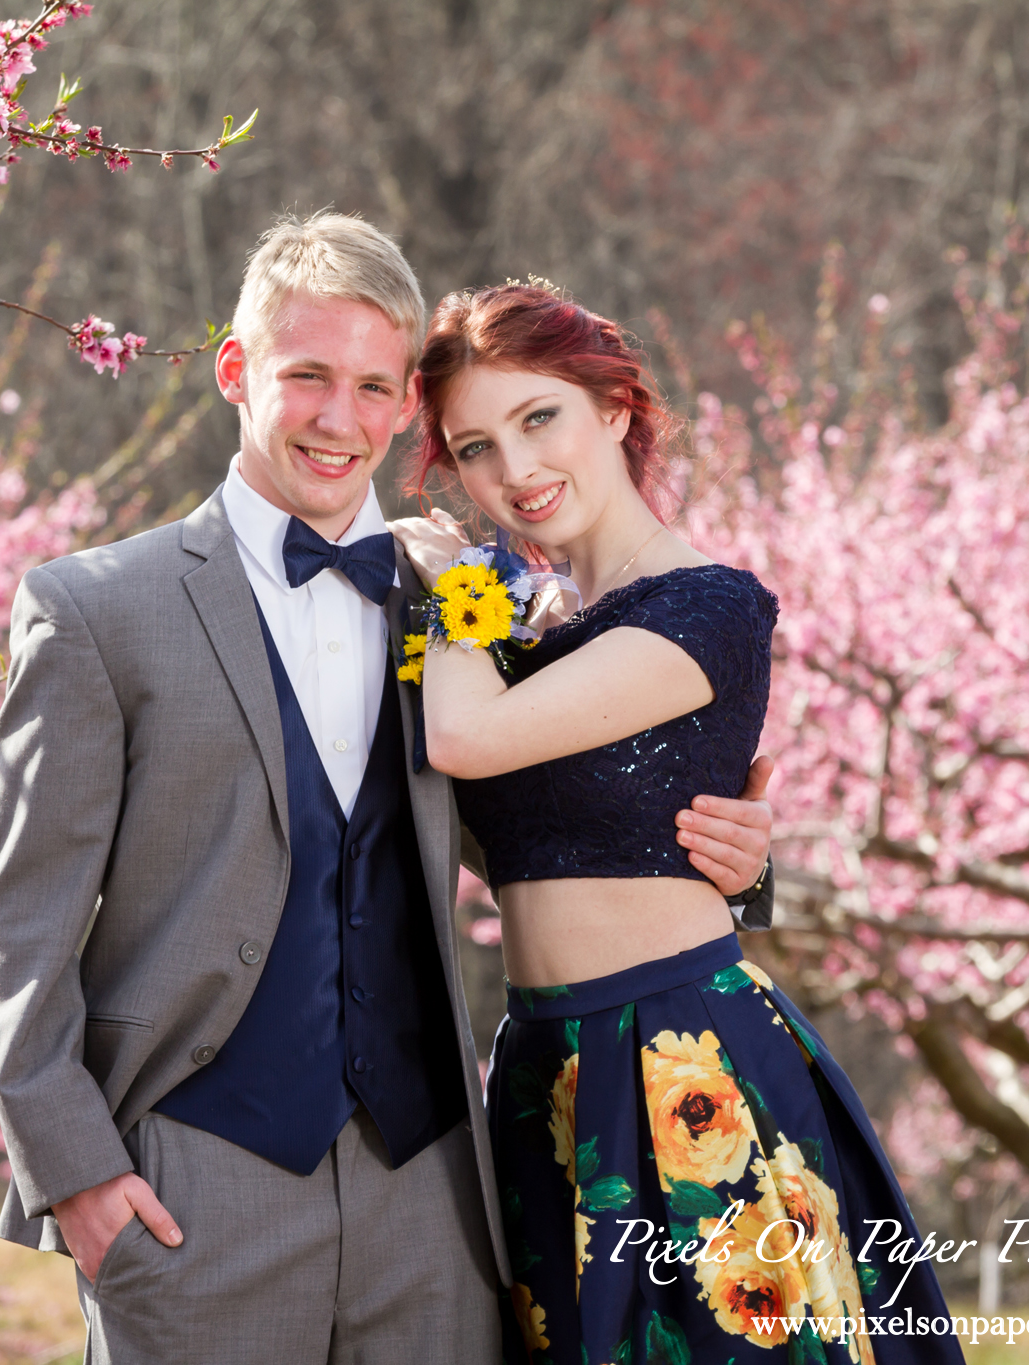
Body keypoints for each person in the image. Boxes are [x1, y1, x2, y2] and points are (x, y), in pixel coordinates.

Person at [0, 213, 776, 1365]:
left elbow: (574, 819)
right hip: (194, 1186)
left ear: (406, 404)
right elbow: (22, 926)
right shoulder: (98, 611)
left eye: (370, 386)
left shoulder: (467, 605)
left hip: (437, 1198)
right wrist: (76, 1179)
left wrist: (740, 861)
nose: (336, 419)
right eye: (306, 377)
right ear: (236, 372)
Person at [388, 281, 962, 1364]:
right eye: (473, 448)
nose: (512, 472)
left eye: (537, 418)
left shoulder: (707, 605)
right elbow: (500, 830)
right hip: (543, 1063)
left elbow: (461, 745)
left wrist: (451, 590)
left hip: (679, 1056)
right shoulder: (515, 644)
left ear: (611, 408)